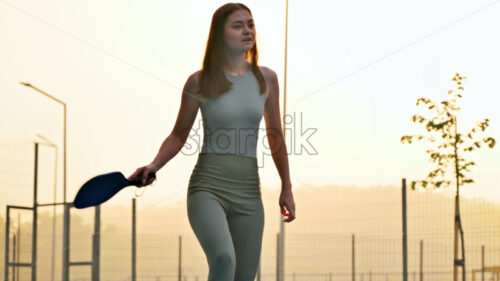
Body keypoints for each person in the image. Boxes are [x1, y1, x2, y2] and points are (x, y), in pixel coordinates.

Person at [128, 3, 295, 280]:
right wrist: (154, 165)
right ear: (220, 34)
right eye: (238, 25)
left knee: (244, 275)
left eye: (250, 24)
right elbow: (179, 135)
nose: (247, 31)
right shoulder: (199, 82)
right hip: (208, 188)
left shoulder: (267, 79)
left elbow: (275, 137)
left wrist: (286, 187)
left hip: (249, 192)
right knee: (223, 259)